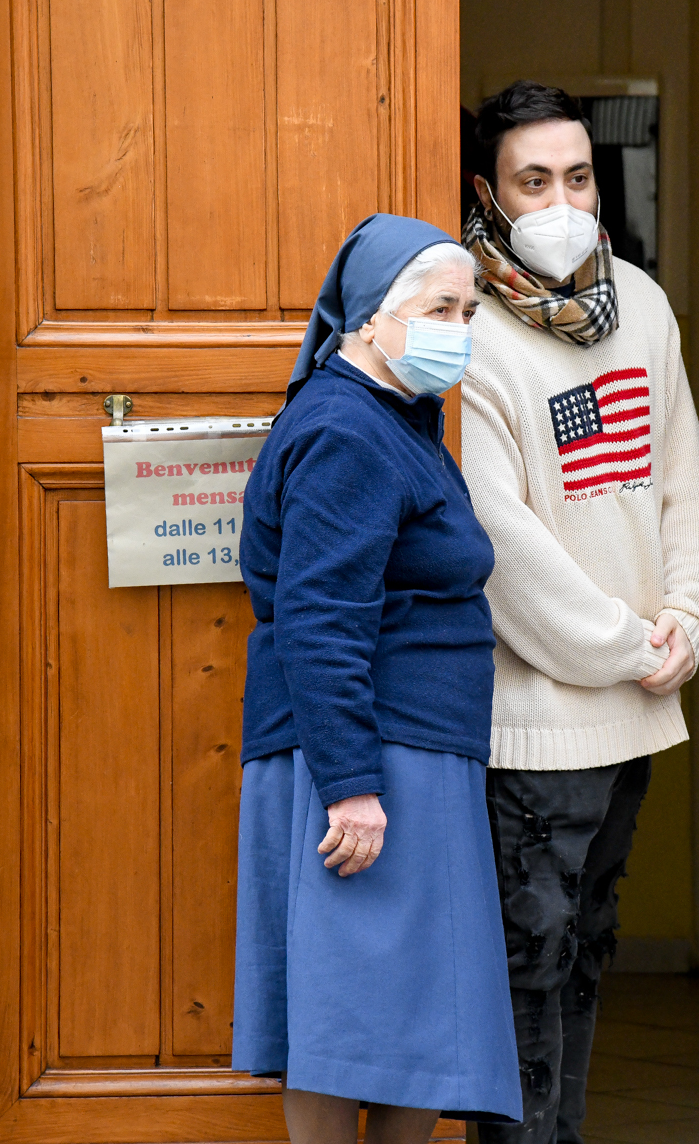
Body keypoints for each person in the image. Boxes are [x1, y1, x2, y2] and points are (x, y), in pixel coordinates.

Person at [459, 81, 699, 1144]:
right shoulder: (466, 328)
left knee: (585, 954)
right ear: (488, 194)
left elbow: (682, 480)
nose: (561, 201)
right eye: (534, 181)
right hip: (534, 720)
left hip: (635, 703)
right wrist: (626, 644)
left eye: (577, 176)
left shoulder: (641, 305)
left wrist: (687, 618)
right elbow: (499, 542)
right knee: (525, 972)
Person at [233, 213, 523, 1143]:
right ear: (368, 318)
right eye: (440, 308)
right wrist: (352, 785)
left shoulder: (393, 420)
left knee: (410, 1017)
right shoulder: (348, 431)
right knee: (349, 1018)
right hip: (370, 758)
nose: (460, 328)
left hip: (406, 750)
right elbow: (320, 617)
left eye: (469, 311)